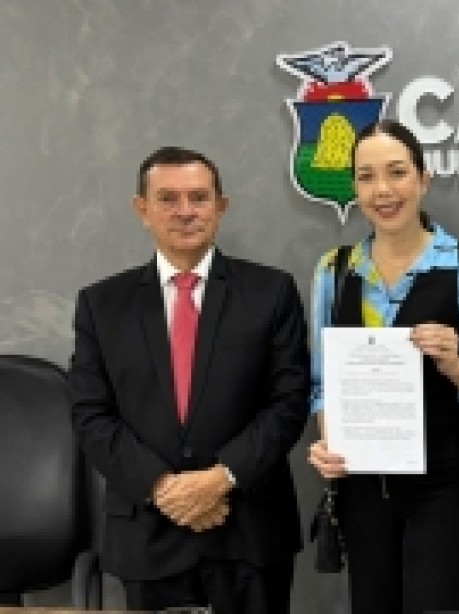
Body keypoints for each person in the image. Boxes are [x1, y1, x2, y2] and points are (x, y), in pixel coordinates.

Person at [69, 146, 311, 613]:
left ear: (221, 206)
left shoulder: (271, 292)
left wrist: (219, 480)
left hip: (248, 531)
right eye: (167, 198)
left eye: (199, 198)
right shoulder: (102, 305)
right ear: (142, 209)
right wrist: (163, 488)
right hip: (149, 534)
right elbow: (90, 413)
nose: (185, 211)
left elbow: (288, 402)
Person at [306, 120, 459, 614]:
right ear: (354, 187)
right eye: (366, 177)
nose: (382, 190)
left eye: (396, 173)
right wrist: (329, 442)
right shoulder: (334, 270)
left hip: (446, 487)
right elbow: (323, 383)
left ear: (423, 179)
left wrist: (455, 364)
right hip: (363, 491)